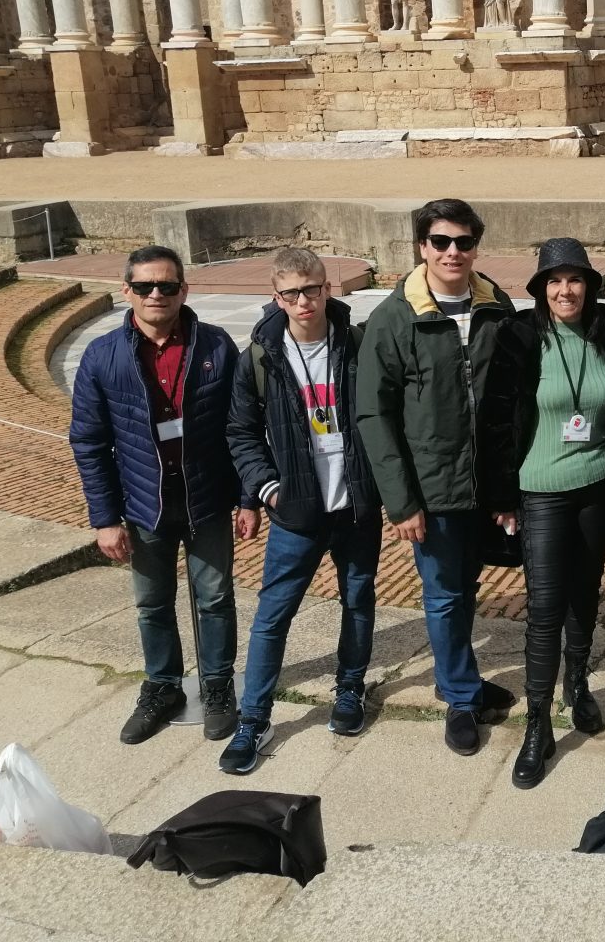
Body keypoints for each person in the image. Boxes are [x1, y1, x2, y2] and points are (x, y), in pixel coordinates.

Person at [69, 246, 256, 745]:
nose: (157, 294)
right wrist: (105, 518)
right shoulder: (102, 356)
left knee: (215, 598)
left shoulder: (216, 345)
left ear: (183, 290)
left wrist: (247, 498)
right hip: (141, 502)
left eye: (167, 285)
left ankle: (217, 685)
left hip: (206, 497)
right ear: (126, 290)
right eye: (145, 286)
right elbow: (89, 442)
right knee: (152, 603)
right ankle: (163, 686)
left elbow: (240, 427)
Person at [355, 199, 517, 756]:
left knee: (466, 587)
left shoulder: (496, 307)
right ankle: (461, 697)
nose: (453, 252)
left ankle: (459, 678)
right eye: (441, 242)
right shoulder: (395, 318)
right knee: (444, 594)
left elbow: (510, 398)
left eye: (464, 242)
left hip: (484, 485)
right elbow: (374, 415)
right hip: (432, 487)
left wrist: (507, 486)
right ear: (422, 246)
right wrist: (401, 502)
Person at [219, 248, 382, 774]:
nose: (303, 301)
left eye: (312, 289)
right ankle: (254, 718)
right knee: (273, 615)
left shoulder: (357, 344)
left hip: (356, 506)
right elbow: (240, 431)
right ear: (277, 297)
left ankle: (350, 689)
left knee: (358, 600)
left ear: (327, 288)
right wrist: (267, 490)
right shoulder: (260, 357)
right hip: (297, 512)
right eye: (291, 293)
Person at [480, 238, 605, 788]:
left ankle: (578, 684)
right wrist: (501, 498)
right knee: (545, 608)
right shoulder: (520, 335)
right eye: (554, 281)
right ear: (541, 288)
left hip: (598, 483)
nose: (565, 290)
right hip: (542, 488)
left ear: (589, 286)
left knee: (585, 595)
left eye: (575, 280)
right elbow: (495, 419)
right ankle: (538, 722)